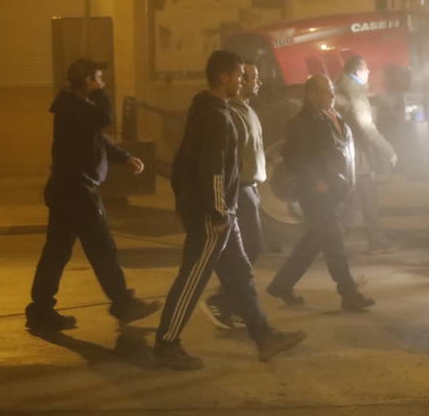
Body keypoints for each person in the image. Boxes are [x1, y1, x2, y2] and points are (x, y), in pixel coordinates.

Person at [154, 50, 305, 370]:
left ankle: (264, 336)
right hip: (214, 216)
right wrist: (219, 212)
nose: (243, 79)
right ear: (223, 77)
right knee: (192, 278)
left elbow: (185, 164)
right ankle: (166, 342)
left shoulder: (206, 109)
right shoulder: (217, 117)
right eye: (239, 74)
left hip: (223, 210)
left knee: (240, 275)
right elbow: (213, 171)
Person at [26, 59, 159, 332]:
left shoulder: (76, 108)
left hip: (67, 190)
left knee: (57, 252)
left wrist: (124, 157)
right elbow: (105, 120)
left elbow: (99, 138)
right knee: (102, 249)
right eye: (98, 78)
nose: (102, 84)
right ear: (86, 80)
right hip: (77, 192)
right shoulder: (73, 108)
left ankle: (40, 310)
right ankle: (123, 303)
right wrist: (100, 94)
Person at [267, 74, 376, 311]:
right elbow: (295, 156)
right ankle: (348, 292)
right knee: (333, 239)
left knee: (315, 240)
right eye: (327, 91)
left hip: (335, 191)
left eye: (332, 91)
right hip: (315, 193)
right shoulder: (301, 122)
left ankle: (282, 284)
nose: (332, 96)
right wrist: (316, 181)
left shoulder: (333, 118)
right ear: (312, 94)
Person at [203, 60, 267, 330]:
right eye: (251, 77)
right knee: (246, 249)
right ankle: (224, 300)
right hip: (238, 189)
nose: (255, 82)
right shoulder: (231, 113)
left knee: (248, 249)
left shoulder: (247, 110)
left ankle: (230, 302)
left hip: (249, 187)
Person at [335, 54, 398, 253]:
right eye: (366, 69)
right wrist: (389, 150)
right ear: (357, 72)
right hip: (358, 155)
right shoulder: (355, 92)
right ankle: (375, 242)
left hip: (349, 154)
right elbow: (366, 126)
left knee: (355, 200)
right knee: (367, 198)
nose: (369, 72)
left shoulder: (343, 87)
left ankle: (335, 241)